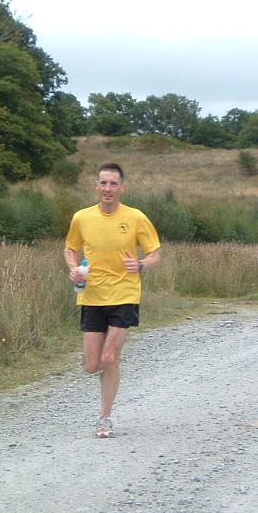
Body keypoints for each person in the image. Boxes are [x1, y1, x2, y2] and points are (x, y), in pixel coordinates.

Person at [63, 162, 161, 438]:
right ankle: (109, 365)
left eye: (113, 184)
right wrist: (73, 268)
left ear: (122, 188)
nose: (108, 189)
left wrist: (141, 265)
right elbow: (70, 248)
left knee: (109, 357)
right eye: (103, 183)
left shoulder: (136, 217)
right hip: (92, 295)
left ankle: (104, 418)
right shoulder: (82, 217)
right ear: (97, 186)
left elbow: (155, 254)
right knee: (91, 365)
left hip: (124, 293)